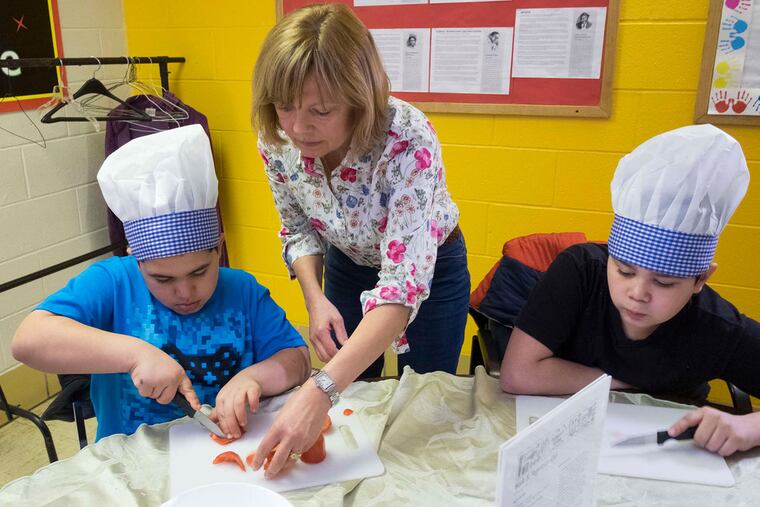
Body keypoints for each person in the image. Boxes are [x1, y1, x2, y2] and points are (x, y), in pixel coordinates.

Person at [250, 3, 470, 476]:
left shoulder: (406, 139)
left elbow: (402, 286)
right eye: (285, 107)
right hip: (346, 262)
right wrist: (315, 300)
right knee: (350, 400)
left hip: (430, 269)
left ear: (359, 96)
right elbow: (298, 228)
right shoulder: (277, 139)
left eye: (320, 111)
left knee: (425, 400)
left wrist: (317, 391)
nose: (297, 127)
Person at [11, 125, 310, 441]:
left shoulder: (242, 290)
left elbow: (298, 360)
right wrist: (135, 354)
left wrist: (254, 378)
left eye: (199, 272)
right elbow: (28, 340)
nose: (185, 293)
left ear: (219, 249)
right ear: (135, 259)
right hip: (132, 466)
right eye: (162, 279)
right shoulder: (113, 283)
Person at [500, 124, 760, 457]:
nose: (637, 292)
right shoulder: (580, 272)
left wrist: (749, 426)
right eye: (623, 270)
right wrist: (627, 380)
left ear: (699, 280)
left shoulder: (718, 328)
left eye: (664, 282)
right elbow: (518, 374)